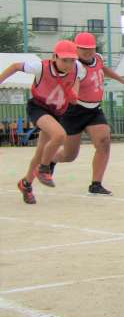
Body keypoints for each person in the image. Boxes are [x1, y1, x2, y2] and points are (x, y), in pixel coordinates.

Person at [50, 33, 124, 195]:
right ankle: (51, 159)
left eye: (90, 48)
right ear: (76, 48)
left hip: (94, 109)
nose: (87, 52)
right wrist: (73, 96)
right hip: (75, 111)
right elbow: (74, 84)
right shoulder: (75, 66)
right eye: (83, 48)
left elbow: (102, 69)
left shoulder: (98, 58)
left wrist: (122, 80)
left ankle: (96, 184)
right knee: (69, 155)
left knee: (104, 141)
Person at [0, 40, 82, 204]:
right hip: (38, 107)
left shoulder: (77, 68)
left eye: (72, 60)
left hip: (56, 112)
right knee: (59, 135)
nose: (68, 64)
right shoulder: (40, 67)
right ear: (54, 57)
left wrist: (73, 94)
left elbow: (74, 95)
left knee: (40, 153)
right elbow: (15, 66)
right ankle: (44, 169)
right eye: (64, 60)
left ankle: (26, 184)